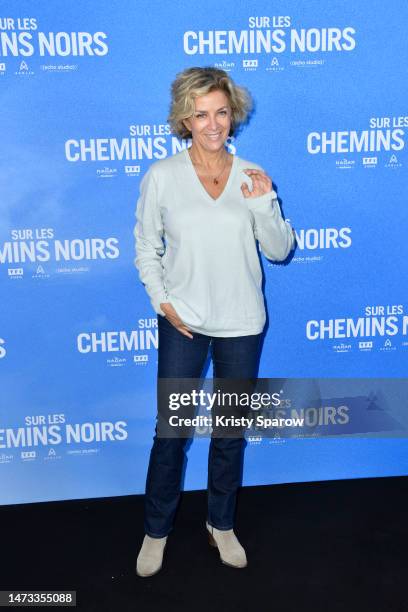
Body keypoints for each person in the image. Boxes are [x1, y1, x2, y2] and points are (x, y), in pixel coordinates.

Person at [133, 66, 295, 577]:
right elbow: (145, 246)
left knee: (229, 433)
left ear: (233, 114)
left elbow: (280, 249)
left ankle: (220, 525)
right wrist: (163, 302)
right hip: (184, 322)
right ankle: (155, 531)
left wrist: (265, 204)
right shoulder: (162, 176)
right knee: (171, 433)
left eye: (221, 112)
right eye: (201, 114)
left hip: (242, 323)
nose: (212, 123)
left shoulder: (252, 176)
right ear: (184, 118)